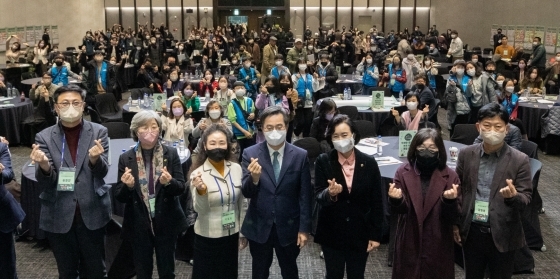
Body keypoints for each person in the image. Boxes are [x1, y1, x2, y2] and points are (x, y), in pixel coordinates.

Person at [30, 85, 111, 278]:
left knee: (96, 270)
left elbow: (103, 171)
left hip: (92, 211)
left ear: (83, 106)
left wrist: (95, 160)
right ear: (56, 108)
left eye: (76, 103)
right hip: (59, 212)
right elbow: (45, 181)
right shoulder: (44, 137)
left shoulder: (99, 132)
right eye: (65, 103)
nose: (70, 107)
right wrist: (43, 165)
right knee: (66, 272)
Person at [456, 103, 532, 279]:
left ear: (507, 129)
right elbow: (459, 189)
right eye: (487, 126)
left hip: (503, 231)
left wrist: (513, 197)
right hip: (472, 230)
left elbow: (526, 198)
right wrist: (455, 223)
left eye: (498, 127)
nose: (492, 131)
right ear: (478, 127)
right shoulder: (466, 154)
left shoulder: (519, 159)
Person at [241, 106, 312, 279]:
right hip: (259, 226)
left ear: (286, 127)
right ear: (262, 129)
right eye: (269, 127)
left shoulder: (300, 155)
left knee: (289, 271)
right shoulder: (250, 153)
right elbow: (246, 192)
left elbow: (305, 195)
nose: (274, 131)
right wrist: (255, 178)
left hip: (289, 226)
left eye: (279, 127)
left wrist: (304, 229)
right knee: (259, 272)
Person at [115, 110, 188, 279]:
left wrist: (168, 182)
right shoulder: (126, 157)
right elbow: (120, 195)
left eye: (154, 127)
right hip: (139, 224)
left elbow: (181, 187)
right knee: (142, 271)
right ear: (135, 131)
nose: (149, 131)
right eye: (144, 127)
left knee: (167, 270)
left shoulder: (170, 154)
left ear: (160, 129)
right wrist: (129, 187)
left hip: (166, 220)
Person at [313, 114, 383, 279]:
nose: (340, 140)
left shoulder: (369, 162)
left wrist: (375, 235)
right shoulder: (323, 161)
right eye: (335, 136)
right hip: (332, 232)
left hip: (360, 232)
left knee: (357, 275)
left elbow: (377, 201)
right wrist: (330, 194)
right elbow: (318, 195)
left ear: (354, 135)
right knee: (333, 274)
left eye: (344, 135)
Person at [389, 128, 460, 279]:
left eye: (432, 148)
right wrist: (396, 199)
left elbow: (453, 217)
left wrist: (449, 202)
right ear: (414, 149)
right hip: (409, 238)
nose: (426, 151)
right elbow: (400, 210)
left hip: (438, 240)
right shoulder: (402, 172)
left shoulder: (451, 175)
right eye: (421, 147)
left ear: (440, 150)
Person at [188, 124, 246, 278]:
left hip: (231, 233)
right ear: (205, 147)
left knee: (228, 273)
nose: (217, 147)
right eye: (212, 143)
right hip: (207, 235)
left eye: (222, 143)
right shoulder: (197, 174)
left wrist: (242, 232)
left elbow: (241, 203)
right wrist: (201, 191)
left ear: (228, 145)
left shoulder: (236, 168)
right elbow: (200, 209)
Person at [0, 141, 25, 279]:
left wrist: (0, 172)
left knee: (6, 266)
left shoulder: (1, 147)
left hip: (2, 218)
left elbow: (9, 174)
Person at [292, 59, 323, 139]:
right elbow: (293, 88)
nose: (302, 65)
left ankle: (305, 139)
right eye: (300, 63)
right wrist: (296, 79)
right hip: (299, 101)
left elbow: (315, 89)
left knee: (308, 122)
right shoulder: (294, 76)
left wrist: (316, 79)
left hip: (308, 102)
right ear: (297, 65)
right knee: (301, 122)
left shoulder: (310, 76)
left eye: (304, 63)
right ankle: (296, 133)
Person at [256, 77, 290, 143]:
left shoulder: (281, 96)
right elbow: (258, 106)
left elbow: (287, 111)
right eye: (267, 85)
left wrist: (278, 110)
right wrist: (263, 94)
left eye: (271, 85)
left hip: (278, 121)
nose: (269, 86)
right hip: (265, 122)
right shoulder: (261, 95)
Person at [228, 81, 256, 160]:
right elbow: (233, 121)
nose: (240, 89)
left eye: (242, 88)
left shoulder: (250, 100)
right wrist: (245, 132)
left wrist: (253, 114)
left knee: (252, 155)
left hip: (251, 132)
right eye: (238, 88)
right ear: (233, 90)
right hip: (240, 134)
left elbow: (254, 111)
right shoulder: (232, 104)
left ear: (245, 90)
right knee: (241, 156)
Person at [446, 60, 472, 135]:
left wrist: (469, 87)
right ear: (454, 68)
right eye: (458, 67)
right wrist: (452, 87)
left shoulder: (467, 78)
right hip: (453, 107)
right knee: (453, 128)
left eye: (462, 67)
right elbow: (448, 94)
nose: (460, 69)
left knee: (463, 128)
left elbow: (469, 95)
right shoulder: (450, 78)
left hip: (465, 107)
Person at [279, 73, 299, 143]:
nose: (285, 83)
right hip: (278, 118)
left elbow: (292, 107)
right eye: (283, 81)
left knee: (287, 139)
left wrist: (288, 98)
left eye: (287, 81)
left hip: (289, 119)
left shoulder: (294, 92)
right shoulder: (277, 92)